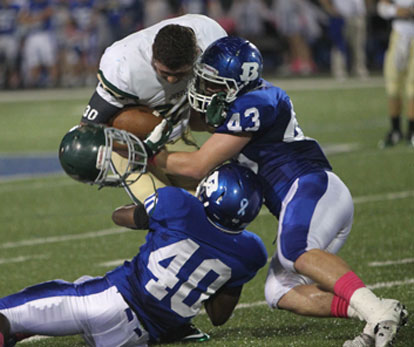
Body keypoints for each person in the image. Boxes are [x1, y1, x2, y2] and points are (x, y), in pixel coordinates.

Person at [150, 36, 409, 347]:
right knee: (279, 291)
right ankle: (373, 311)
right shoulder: (246, 102)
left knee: (294, 251)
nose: (206, 90)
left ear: (237, 84)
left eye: (213, 85)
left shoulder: (257, 103)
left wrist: (149, 153)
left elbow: (196, 165)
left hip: (311, 186)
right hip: (306, 198)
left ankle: (377, 312)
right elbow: (205, 126)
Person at [2, 130, 268, 347]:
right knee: (80, 289)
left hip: (108, 301)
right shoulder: (252, 252)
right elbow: (219, 316)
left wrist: (149, 210)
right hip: (138, 337)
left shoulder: (179, 205)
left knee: (6, 314)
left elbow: (121, 217)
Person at [79, 13, 227, 201]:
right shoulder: (125, 65)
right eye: (164, 73)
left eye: (180, 74)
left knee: (209, 204)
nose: (172, 79)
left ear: (197, 54)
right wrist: (138, 147)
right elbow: (89, 127)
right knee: (165, 209)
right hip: (130, 146)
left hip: (174, 131)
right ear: (152, 56)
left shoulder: (212, 41)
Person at [377, 0, 414, 148]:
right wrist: (395, 11)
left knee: (413, 86)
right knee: (393, 85)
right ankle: (395, 130)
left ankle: (412, 130)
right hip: (398, 35)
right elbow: (382, 7)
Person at [318, 0, 370, 80]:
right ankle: (339, 70)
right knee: (339, 45)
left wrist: (365, 8)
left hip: (358, 15)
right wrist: (331, 10)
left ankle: (360, 69)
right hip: (340, 15)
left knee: (359, 45)